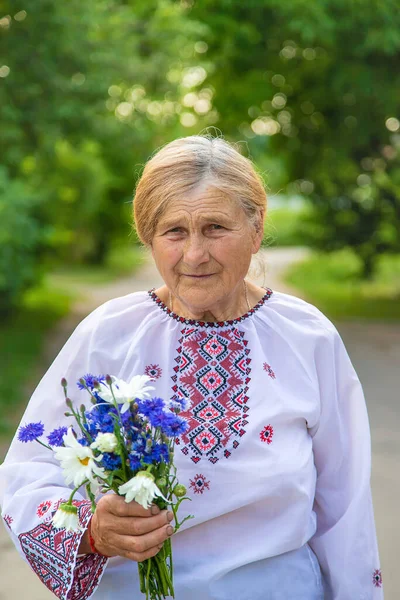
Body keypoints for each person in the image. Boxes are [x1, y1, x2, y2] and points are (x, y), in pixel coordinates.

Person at [0, 134, 383, 599]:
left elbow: (346, 512)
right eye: (175, 232)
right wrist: (92, 531)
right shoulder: (109, 334)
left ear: (257, 228)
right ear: (149, 239)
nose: (195, 254)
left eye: (216, 228)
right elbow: (26, 471)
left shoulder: (307, 338)